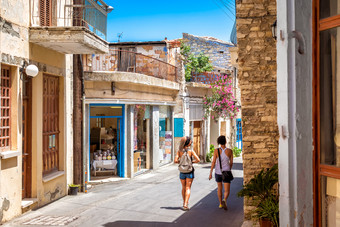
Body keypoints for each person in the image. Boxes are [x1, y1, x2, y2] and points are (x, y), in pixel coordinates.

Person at [174, 136, 200, 211]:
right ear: (188, 143)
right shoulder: (191, 151)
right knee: (188, 188)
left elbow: (175, 161)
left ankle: (184, 202)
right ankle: (185, 204)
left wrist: (181, 162)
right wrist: (191, 162)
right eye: (190, 141)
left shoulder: (179, 151)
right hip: (189, 171)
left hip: (182, 171)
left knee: (183, 187)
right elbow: (198, 159)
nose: (191, 142)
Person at [209, 135, 233, 210]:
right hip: (226, 171)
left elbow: (213, 162)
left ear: (219, 142)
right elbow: (231, 162)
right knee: (227, 190)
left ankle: (220, 204)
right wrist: (229, 169)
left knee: (219, 188)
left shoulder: (216, 151)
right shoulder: (229, 151)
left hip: (218, 172)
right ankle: (224, 199)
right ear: (225, 142)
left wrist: (210, 172)